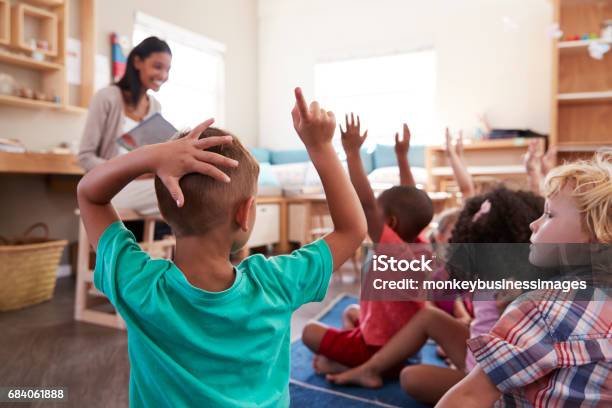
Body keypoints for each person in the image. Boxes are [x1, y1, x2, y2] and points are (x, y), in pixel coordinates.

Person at [76, 88, 367, 406]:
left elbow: (90, 194)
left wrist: (151, 155)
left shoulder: (139, 286)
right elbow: (352, 230)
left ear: (166, 209)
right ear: (245, 213)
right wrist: (321, 147)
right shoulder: (277, 283)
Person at [328, 187, 544, 406]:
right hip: (478, 351)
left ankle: (368, 367)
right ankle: (368, 369)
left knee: (411, 378)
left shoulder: (519, 286)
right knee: (428, 317)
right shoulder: (480, 269)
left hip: (486, 378)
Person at [437, 150, 612, 407]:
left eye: (549, 215)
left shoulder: (541, 308)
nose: (534, 224)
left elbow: (469, 396)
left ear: (595, 236)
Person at [301, 115, 433, 376]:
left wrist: (352, 153)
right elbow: (412, 198)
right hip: (404, 345)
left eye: (380, 217)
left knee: (309, 332)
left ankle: (363, 367)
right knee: (352, 312)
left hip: (376, 348)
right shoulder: (420, 244)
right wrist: (402, 157)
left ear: (391, 222)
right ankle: (359, 362)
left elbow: (366, 202)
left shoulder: (393, 250)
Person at [78, 36, 172, 216]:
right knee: (177, 195)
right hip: (109, 187)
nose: (163, 75)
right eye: (157, 66)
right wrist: (129, 171)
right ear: (137, 62)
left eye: (167, 70)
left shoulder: (155, 106)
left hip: (142, 186)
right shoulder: (107, 97)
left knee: (184, 188)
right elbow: (85, 157)